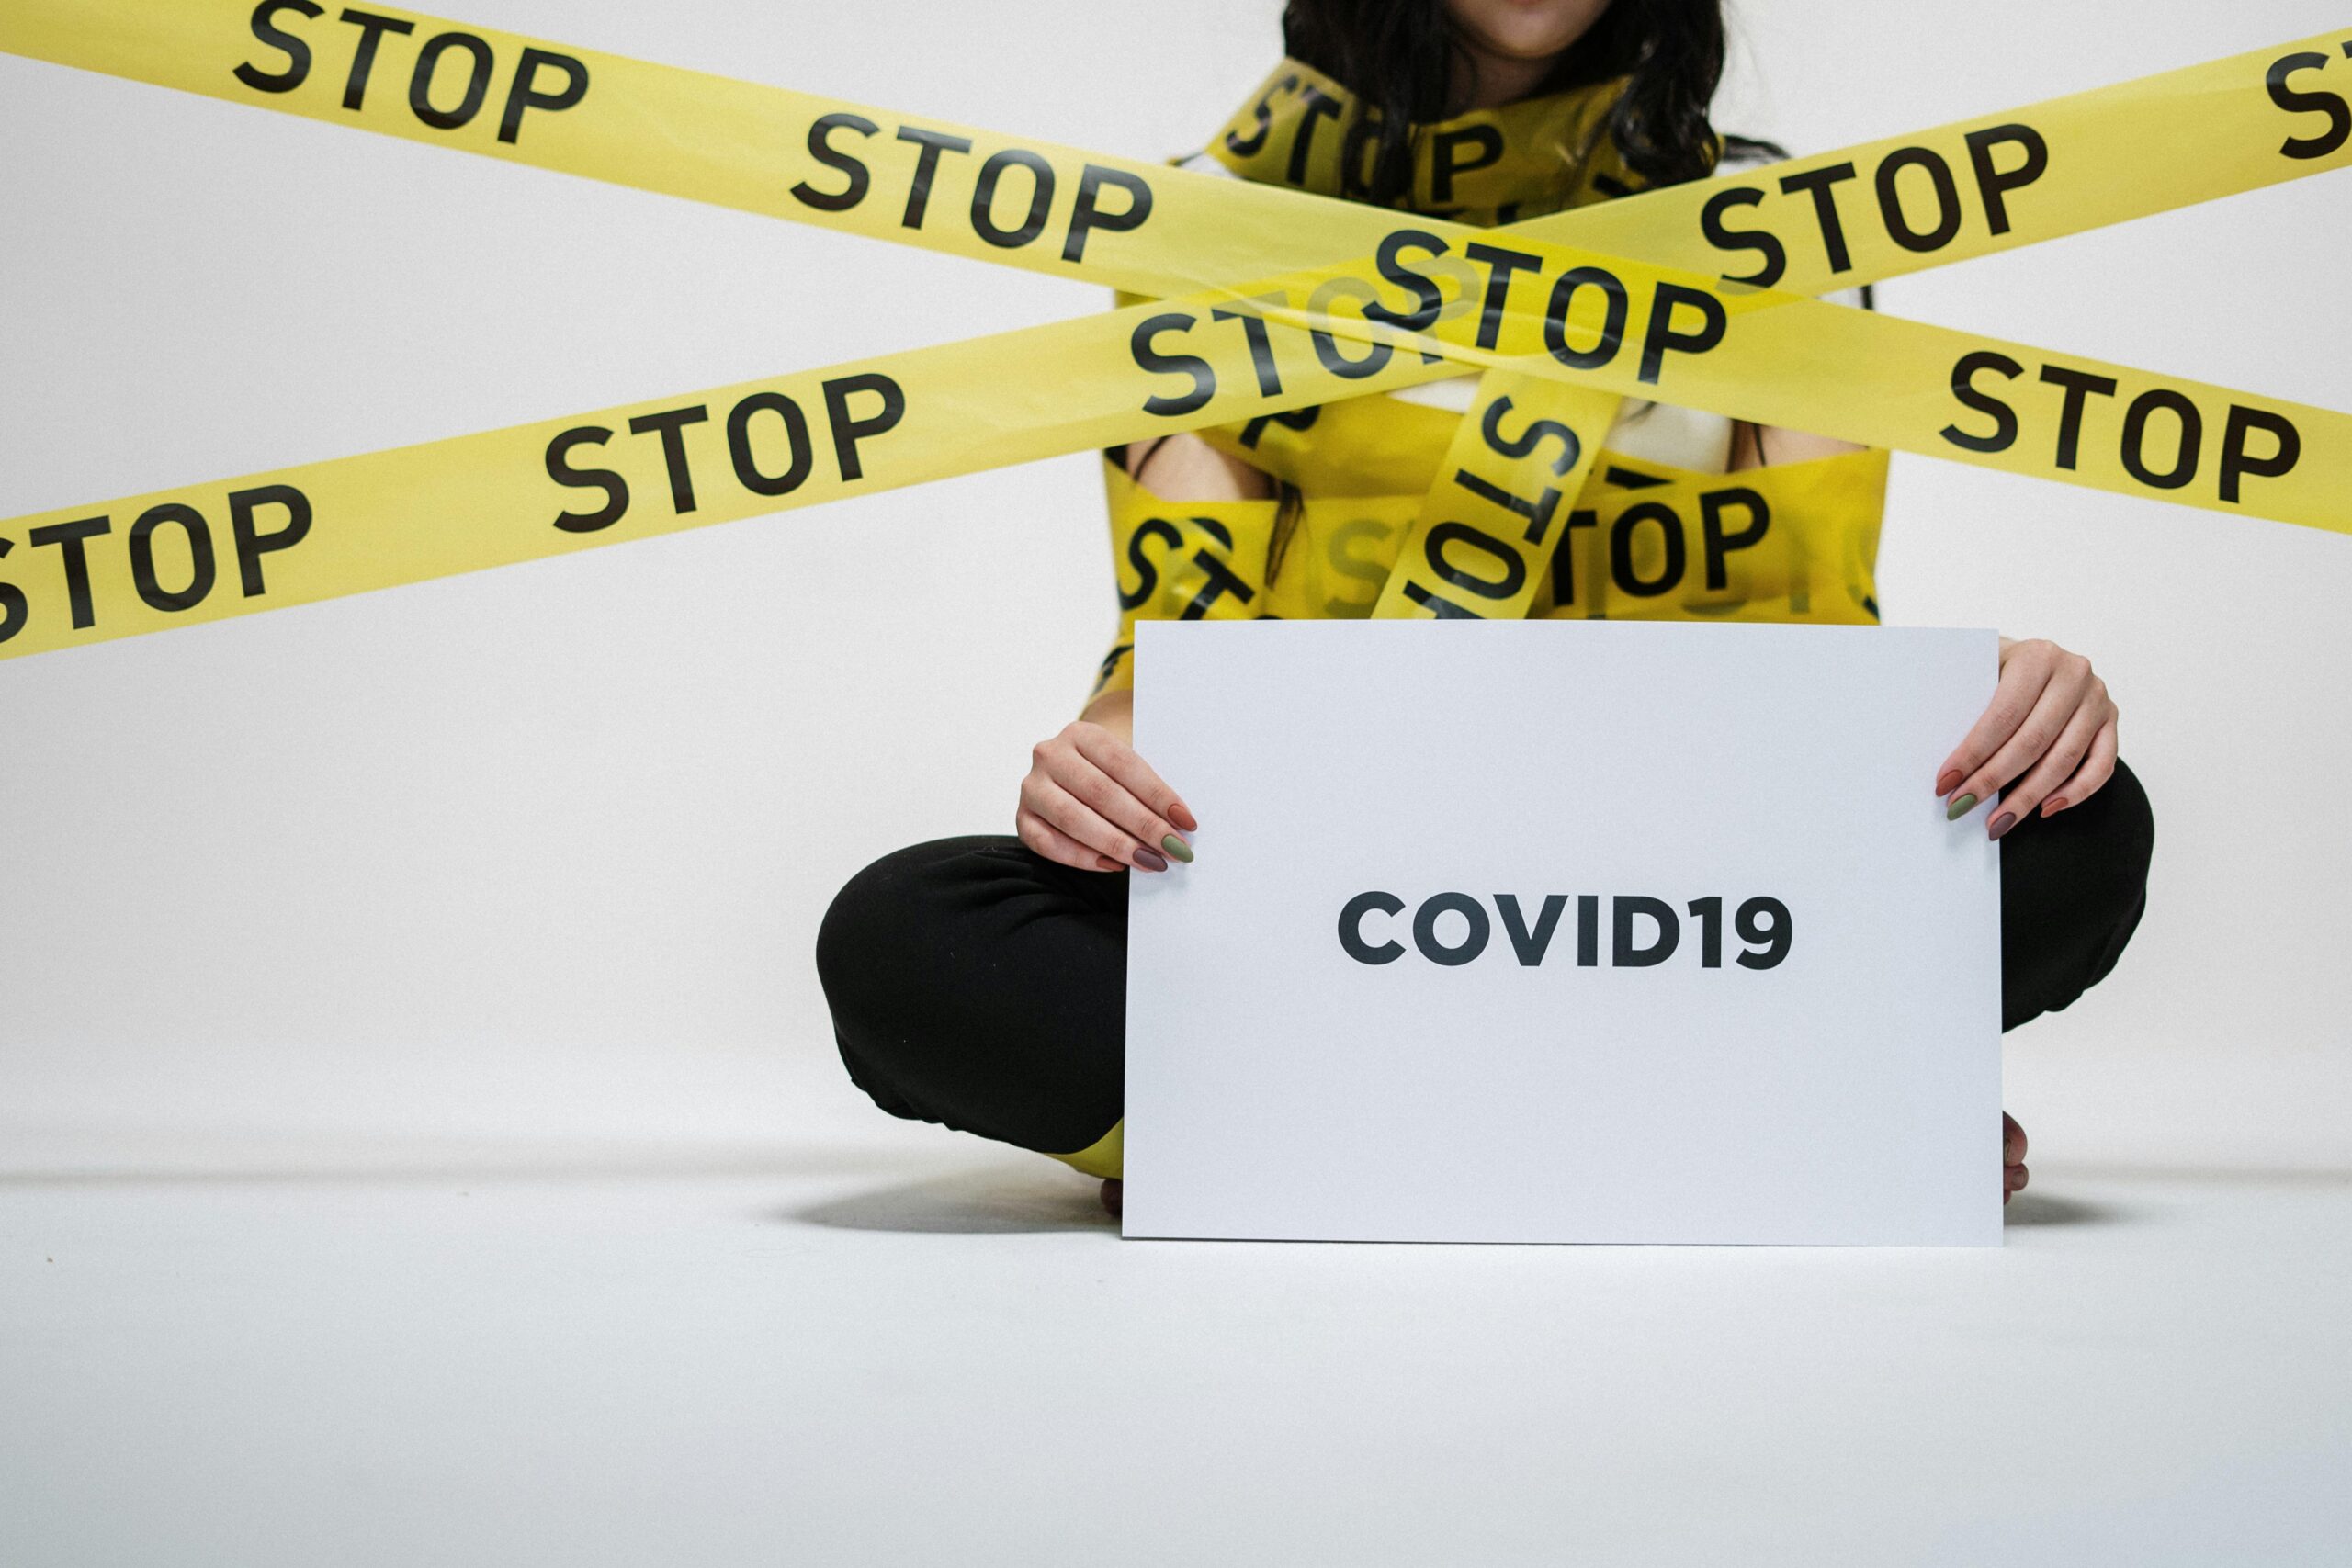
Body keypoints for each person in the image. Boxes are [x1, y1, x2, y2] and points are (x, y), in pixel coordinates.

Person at [817, 0, 2154, 1219]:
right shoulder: (1206, 230)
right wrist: (1093, 762)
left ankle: (1339, 1132)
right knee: (907, 944)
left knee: (2083, 826)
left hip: (1680, 906)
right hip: (1336, 906)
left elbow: (1821, 657)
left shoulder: (1776, 225)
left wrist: (2006, 698)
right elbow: (1176, 643)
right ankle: (1711, 1119)